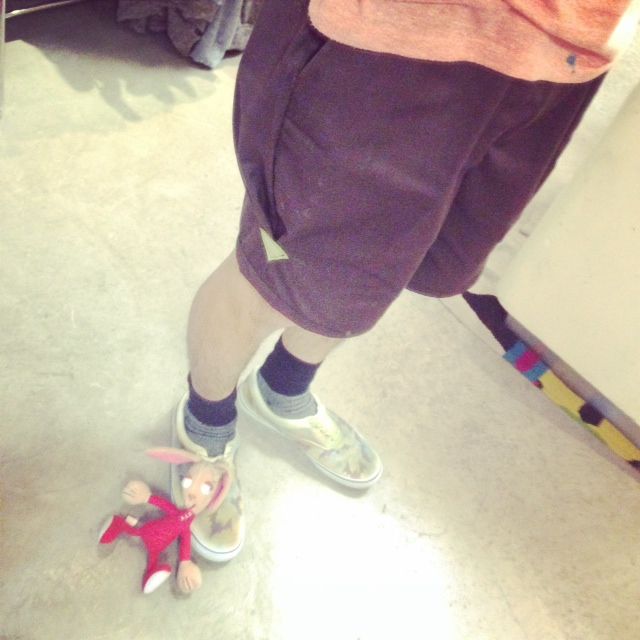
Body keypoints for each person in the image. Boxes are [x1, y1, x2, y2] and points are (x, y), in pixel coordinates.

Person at [172, 0, 637, 561]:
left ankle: (282, 388)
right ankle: (205, 422)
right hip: (391, 44)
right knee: (270, 273)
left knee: (384, 268)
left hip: (565, 56)